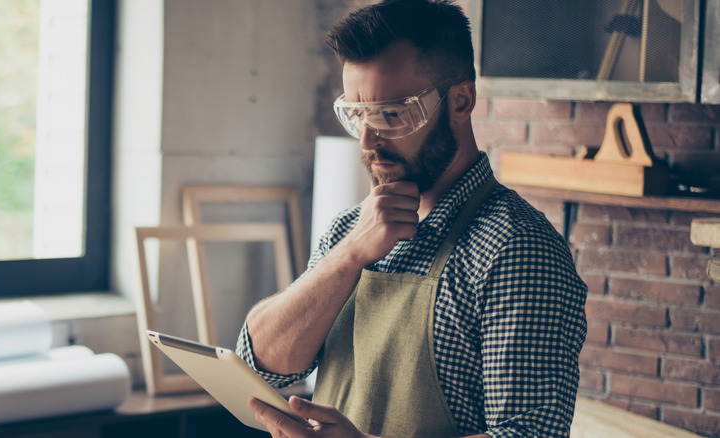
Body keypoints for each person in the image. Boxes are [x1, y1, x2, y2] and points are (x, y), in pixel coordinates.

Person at [236, 0, 588, 436]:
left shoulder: (516, 250)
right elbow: (261, 366)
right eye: (358, 114)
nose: (368, 140)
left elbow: (531, 434)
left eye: (391, 115)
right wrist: (347, 256)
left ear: (461, 100)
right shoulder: (348, 230)